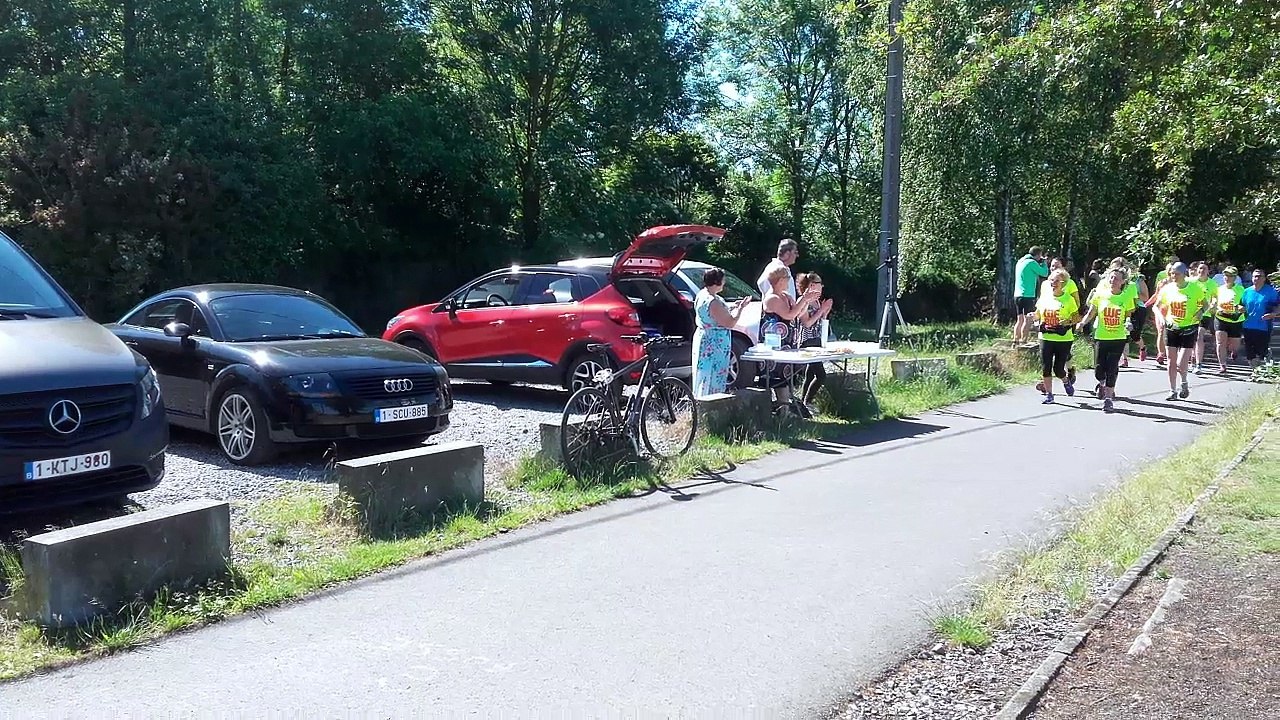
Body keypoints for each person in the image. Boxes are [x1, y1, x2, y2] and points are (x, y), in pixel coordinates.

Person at [759, 265, 820, 413]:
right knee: (774, 377)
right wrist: (804, 299)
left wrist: (806, 301)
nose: (788, 282)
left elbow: (799, 313)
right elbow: (789, 315)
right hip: (774, 345)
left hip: (786, 343)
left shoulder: (785, 295)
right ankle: (778, 413)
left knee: (784, 379)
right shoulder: (772, 298)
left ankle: (784, 413)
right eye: (787, 279)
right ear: (780, 281)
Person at [1076, 267, 1137, 413]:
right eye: (1111, 277)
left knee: (1112, 368)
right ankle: (1102, 383)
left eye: (1116, 278)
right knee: (1099, 369)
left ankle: (1109, 399)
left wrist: (1128, 323)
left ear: (1122, 282)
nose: (1113, 280)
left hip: (1118, 337)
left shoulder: (1125, 298)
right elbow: (1091, 312)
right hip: (1101, 336)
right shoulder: (1100, 295)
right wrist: (1083, 323)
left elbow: (1128, 315)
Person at [692, 268, 751, 399]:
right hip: (714, 344)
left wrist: (733, 306)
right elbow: (730, 323)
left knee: (703, 374)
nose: (724, 283)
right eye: (723, 280)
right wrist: (740, 309)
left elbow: (714, 315)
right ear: (717, 281)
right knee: (714, 375)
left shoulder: (703, 294)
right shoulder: (713, 301)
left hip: (705, 339)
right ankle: (712, 403)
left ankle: (701, 402)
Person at [1155, 262, 1209, 401]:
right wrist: (1161, 317)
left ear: (1184, 274)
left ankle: (1184, 382)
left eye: (1177, 274)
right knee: (1171, 362)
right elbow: (1156, 306)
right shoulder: (1167, 289)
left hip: (1189, 327)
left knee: (1180, 363)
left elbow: (1206, 304)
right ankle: (1172, 390)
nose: (1174, 276)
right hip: (1171, 327)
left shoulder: (1194, 288)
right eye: (1172, 273)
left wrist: (1200, 312)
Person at [791, 272, 834, 417]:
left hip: (816, 340)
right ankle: (807, 403)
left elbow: (820, 321)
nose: (821, 288)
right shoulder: (803, 301)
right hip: (806, 341)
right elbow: (807, 323)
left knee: (810, 375)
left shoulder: (816, 301)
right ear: (811, 286)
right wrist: (821, 310)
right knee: (821, 375)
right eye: (818, 285)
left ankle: (803, 406)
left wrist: (825, 312)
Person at [1035, 269, 1079, 404]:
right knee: (1045, 367)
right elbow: (1038, 314)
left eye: (1056, 281)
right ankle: (1049, 395)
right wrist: (1035, 319)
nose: (1053, 283)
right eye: (1051, 280)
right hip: (1046, 337)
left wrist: (1068, 322)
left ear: (1063, 283)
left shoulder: (1068, 299)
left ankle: (1066, 381)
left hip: (1063, 339)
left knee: (1058, 369)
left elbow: (1077, 317)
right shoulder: (1044, 298)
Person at [1211, 266, 1246, 374]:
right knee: (1220, 342)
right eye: (1226, 275)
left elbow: (1245, 304)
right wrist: (1213, 305)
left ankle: (1234, 351)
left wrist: (1242, 308)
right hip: (1221, 317)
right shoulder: (1219, 289)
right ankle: (1222, 365)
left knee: (1234, 345)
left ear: (1235, 277)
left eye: (1230, 276)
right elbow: (1213, 300)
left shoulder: (1241, 289)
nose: (1227, 277)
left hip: (1236, 319)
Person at [1242, 268, 1280, 366]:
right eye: (1255, 276)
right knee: (1250, 353)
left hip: (1263, 326)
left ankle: (1267, 354)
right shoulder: (1246, 292)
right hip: (1247, 325)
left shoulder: (1271, 292)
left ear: (1264, 279)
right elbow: (1240, 305)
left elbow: (1278, 306)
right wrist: (1239, 308)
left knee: (1261, 351)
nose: (1257, 278)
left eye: (1259, 276)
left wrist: (1274, 314)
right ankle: (1255, 372)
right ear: (1252, 278)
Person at [1013, 246, 1048, 344]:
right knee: (1027, 319)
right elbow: (1044, 273)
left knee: (1019, 319)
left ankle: (1015, 340)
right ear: (1038, 255)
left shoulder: (1020, 261)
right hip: (1027, 295)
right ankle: (1023, 341)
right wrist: (1044, 263)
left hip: (1017, 294)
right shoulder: (1032, 263)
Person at [1190, 261, 1218, 374]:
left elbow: (1215, 297)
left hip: (1205, 313)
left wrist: (1214, 303)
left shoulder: (1212, 284)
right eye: (1200, 269)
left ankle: (1198, 364)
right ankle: (1193, 356)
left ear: (1208, 271)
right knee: (1191, 337)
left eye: (1204, 269)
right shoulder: (1191, 282)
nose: (1202, 271)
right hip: (1191, 314)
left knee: (1199, 336)